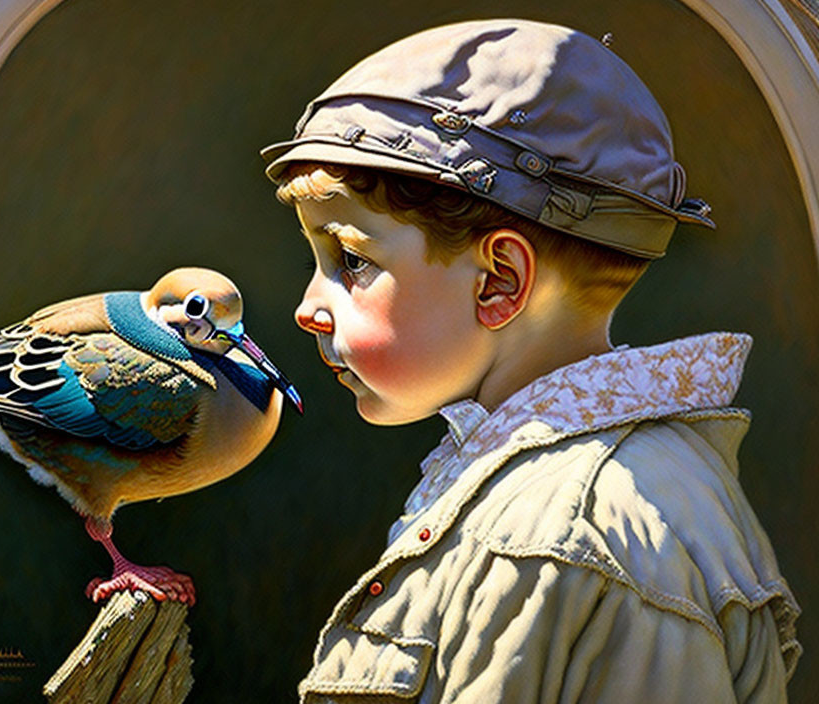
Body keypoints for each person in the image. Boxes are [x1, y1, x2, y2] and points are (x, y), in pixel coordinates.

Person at [261, 19, 800, 703]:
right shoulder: (563, 489)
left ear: (499, 282)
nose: (308, 308)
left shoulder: (565, 534)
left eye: (354, 261)